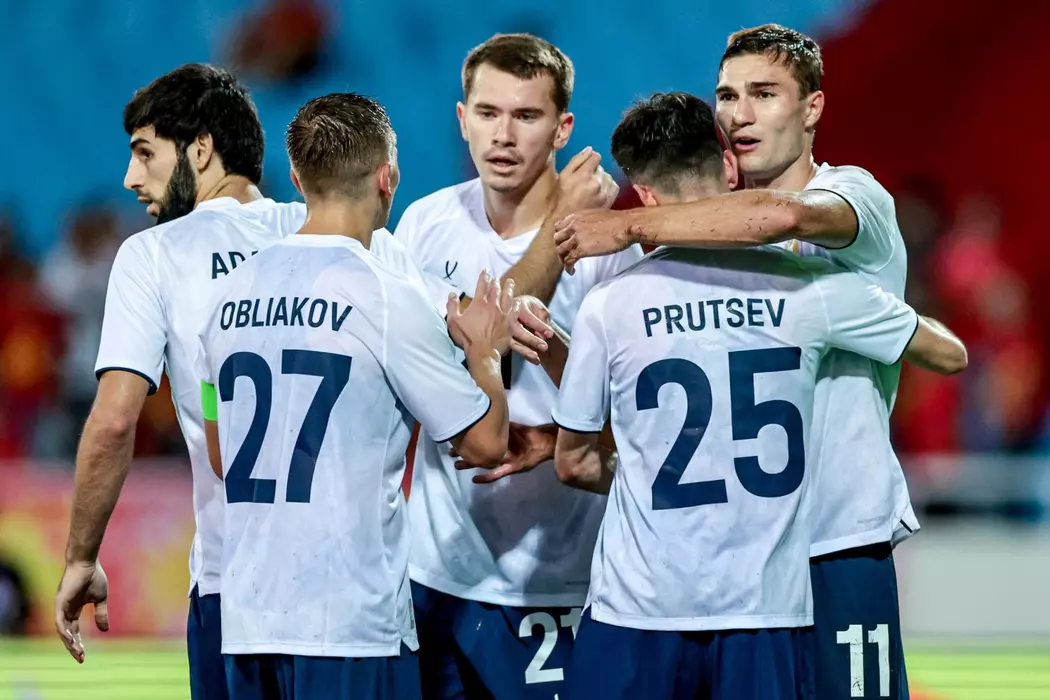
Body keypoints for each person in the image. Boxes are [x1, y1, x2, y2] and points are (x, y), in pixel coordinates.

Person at [551, 25, 930, 698]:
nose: (740, 112)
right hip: (737, 566)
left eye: (764, 93)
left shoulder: (855, 197)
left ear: (812, 107)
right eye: (727, 95)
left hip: (835, 539)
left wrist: (629, 222)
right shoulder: (689, 246)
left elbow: (783, 217)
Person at [50, 64, 438, 699]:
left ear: (201, 148)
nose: (131, 178)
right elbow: (465, 326)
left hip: (233, 587)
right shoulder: (349, 235)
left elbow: (116, 420)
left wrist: (81, 557)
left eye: (145, 153)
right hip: (351, 595)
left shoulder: (154, 254)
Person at [197, 92, 512, 700]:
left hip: (248, 619)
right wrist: (486, 356)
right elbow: (486, 443)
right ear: (387, 177)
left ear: (296, 180)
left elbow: (220, 451)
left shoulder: (226, 296)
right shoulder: (387, 296)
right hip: (348, 624)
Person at [394, 33, 637, 699]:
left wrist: (560, 439)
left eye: (526, 116)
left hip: (560, 579)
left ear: (563, 129)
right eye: (488, 112)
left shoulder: (611, 249)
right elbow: (455, 360)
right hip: (434, 574)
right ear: (461, 118)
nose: (503, 136)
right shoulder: (425, 225)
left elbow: (643, 416)